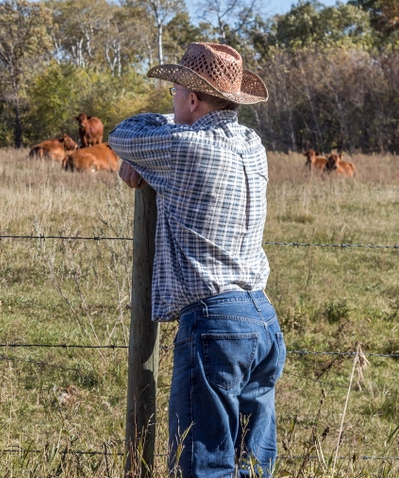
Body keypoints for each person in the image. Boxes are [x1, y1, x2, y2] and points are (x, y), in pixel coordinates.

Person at [108, 42, 286, 478]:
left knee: (204, 465)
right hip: (262, 318)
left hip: (215, 323)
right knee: (252, 465)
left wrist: (140, 160)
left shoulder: (184, 148)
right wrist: (147, 162)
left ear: (192, 99)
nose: (171, 100)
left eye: (175, 93)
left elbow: (123, 134)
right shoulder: (252, 144)